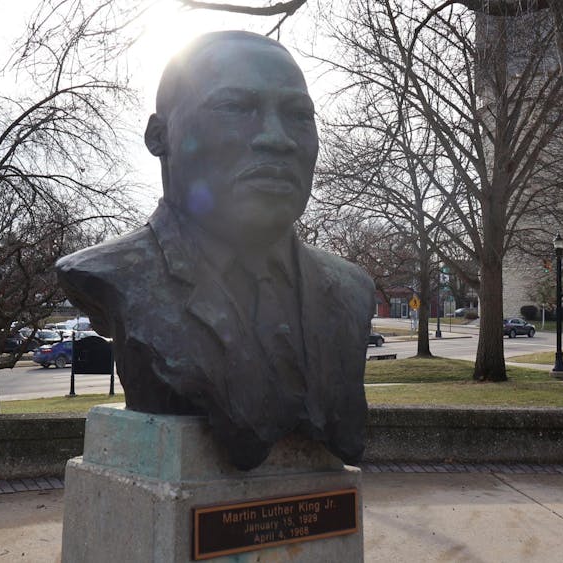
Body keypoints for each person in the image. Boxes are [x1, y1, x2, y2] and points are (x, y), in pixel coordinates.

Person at [55, 31, 374, 471]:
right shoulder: (111, 276)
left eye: (299, 114)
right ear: (159, 137)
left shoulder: (350, 289)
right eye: (235, 108)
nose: (276, 138)